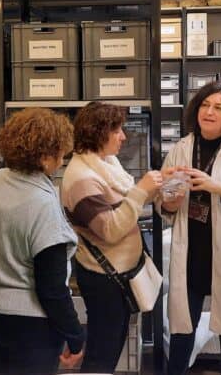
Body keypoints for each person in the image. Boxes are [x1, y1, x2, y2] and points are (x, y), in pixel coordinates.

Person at [157, 81, 221, 375]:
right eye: (205, 105)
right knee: (181, 329)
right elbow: (164, 204)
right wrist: (170, 200)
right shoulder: (182, 148)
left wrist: (220, 187)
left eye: (218, 107)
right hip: (191, 252)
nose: (210, 112)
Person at [0, 108, 84, 375]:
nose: (62, 161)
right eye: (60, 154)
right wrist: (75, 334)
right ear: (46, 158)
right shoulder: (42, 204)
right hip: (32, 327)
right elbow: (51, 287)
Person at [61, 102, 162, 374]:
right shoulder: (81, 179)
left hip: (119, 273)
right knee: (101, 355)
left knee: (111, 346)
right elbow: (111, 229)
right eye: (117, 130)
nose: (123, 136)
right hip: (103, 279)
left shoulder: (107, 163)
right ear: (98, 132)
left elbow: (123, 203)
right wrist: (142, 192)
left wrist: (161, 187)